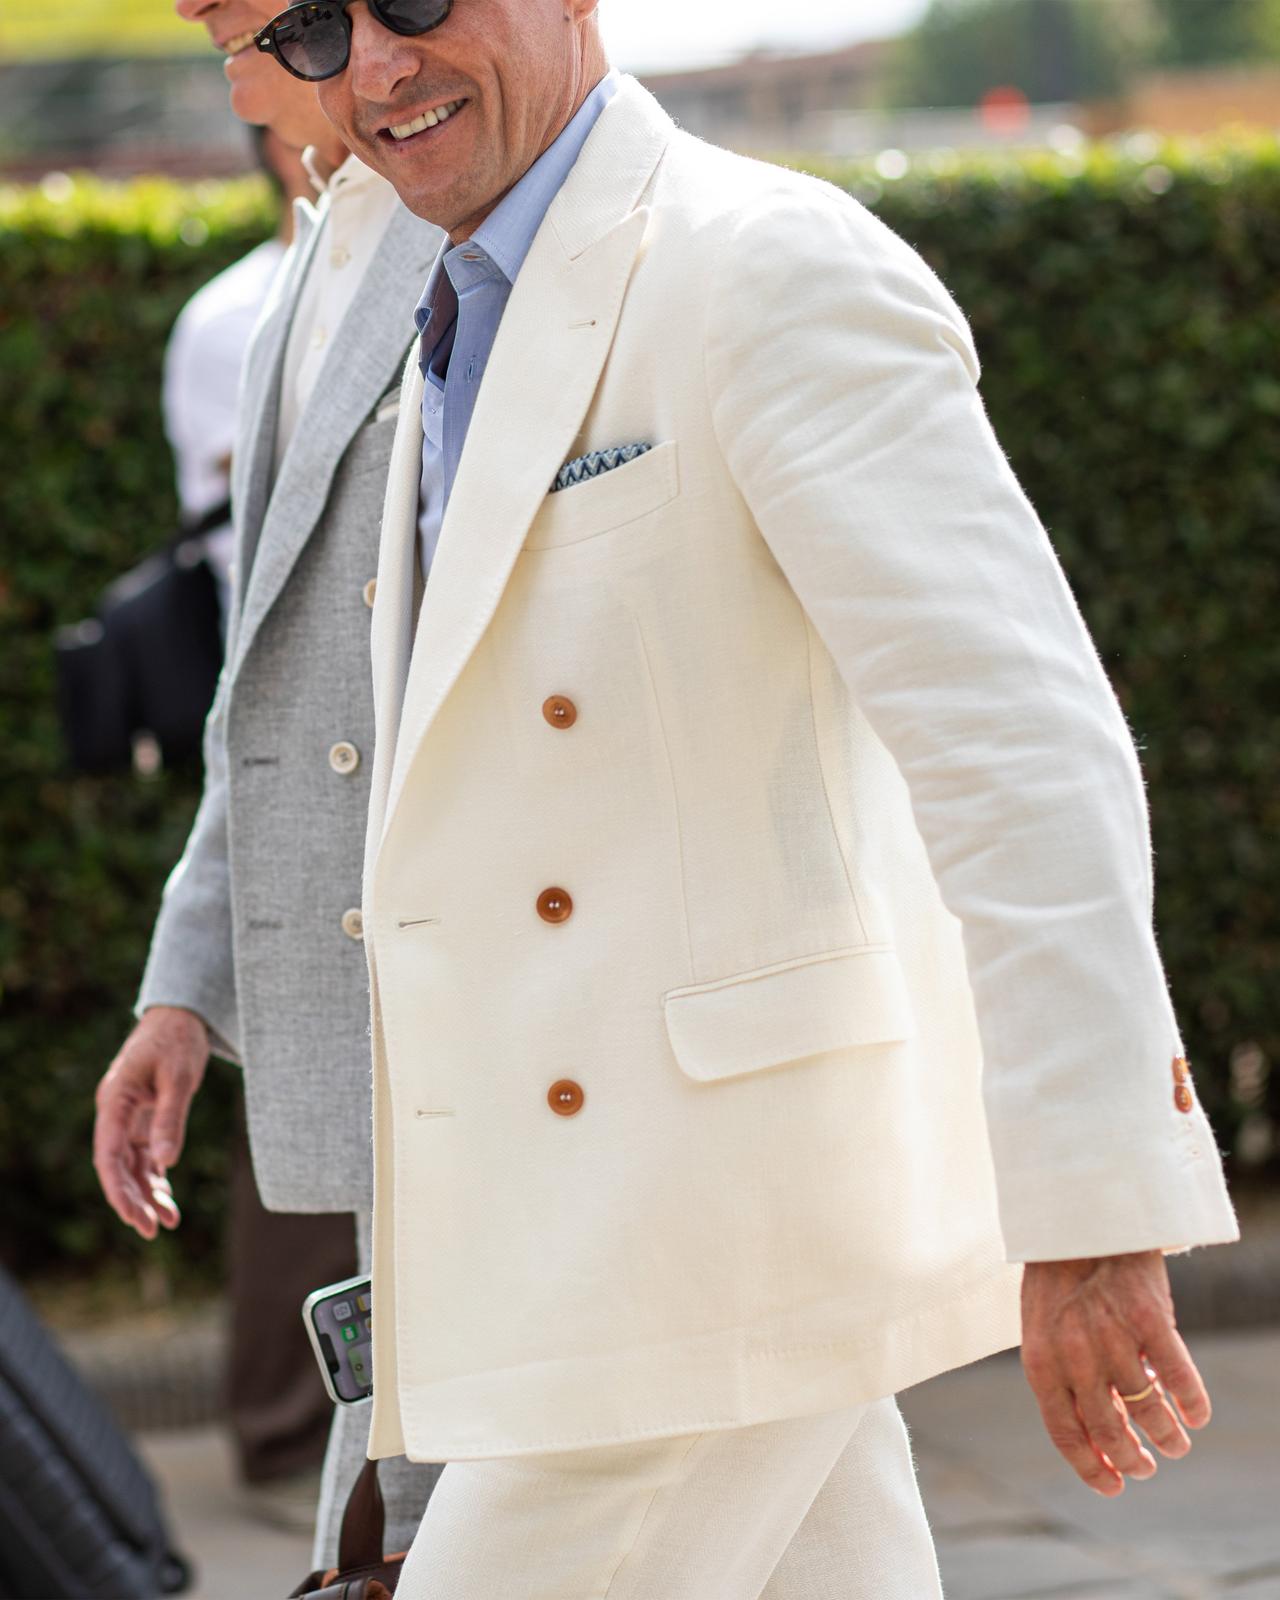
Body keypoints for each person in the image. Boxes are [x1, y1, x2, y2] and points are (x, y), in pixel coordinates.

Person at [257, 0, 1240, 1594]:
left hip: (694, 1247)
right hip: (590, 1240)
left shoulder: (767, 265)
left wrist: (1094, 1197)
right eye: (314, 29)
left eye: (420, 0)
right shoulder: (440, 308)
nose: (374, 66)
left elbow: (1018, 738)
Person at [90, 0, 445, 1568]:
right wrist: (189, 984)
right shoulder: (298, 279)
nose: (238, 79)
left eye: (258, 35)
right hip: (339, 954)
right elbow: (268, 677)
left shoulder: (482, 242)